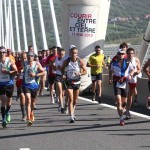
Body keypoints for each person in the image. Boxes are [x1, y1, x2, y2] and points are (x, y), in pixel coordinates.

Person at [109, 49, 134, 126]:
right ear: (117, 54)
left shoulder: (127, 62)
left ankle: (122, 110)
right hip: (116, 83)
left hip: (124, 83)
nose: (121, 55)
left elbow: (132, 70)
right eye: (119, 54)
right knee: (119, 101)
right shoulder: (113, 63)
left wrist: (130, 75)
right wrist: (110, 78)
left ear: (124, 55)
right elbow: (110, 71)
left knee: (124, 103)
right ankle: (121, 119)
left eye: (122, 54)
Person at [61, 47, 87, 123]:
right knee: (71, 99)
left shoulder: (80, 61)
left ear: (77, 54)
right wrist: (63, 74)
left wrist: (80, 73)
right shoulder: (67, 61)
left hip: (77, 82)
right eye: (72, 53)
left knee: (75, 101)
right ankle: (71, 116)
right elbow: (62, 68)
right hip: (69, 81)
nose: (73, 55)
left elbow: (85, 71)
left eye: (75, 53)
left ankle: (73, 112)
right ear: (69, 53)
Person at [22, 52, 45, 126]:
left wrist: (36, 74)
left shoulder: (37, 64)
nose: (30, 57)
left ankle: (31, 112)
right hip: (26, 85)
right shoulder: (24, 63)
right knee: (28, 100)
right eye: (28, 56)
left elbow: (44, 72)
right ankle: (28, 118)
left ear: (33, 57)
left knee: (32, 102)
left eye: (31, 56)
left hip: (34, 85)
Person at [0, 47, 18, 128]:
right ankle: (3, 119)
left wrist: (8, 72)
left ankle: (7, 112)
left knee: (9, 102)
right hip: (1, 84)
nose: (2, 54)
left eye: (3, 52)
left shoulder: (10, 60)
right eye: (0, 52)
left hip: (9, 84)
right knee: (3, 100)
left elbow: (16, 70)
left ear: (5, 53)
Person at [126, 48, 141, 119]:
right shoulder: (124, 60)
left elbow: (139, 69)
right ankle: (126, 109)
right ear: (127, 54)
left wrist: (137, 72)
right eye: (129, 53)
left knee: (129, 95)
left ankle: (128, 110)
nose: (130, 55)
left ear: (134, 54)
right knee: (126, 95)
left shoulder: (136, 60)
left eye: (131, 53)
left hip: (133, 80)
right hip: (125, 79)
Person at [15, 52, 28, 121]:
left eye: (25, 58)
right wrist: (20, 71)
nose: (24, 59)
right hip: (20, 83)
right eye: (22, 58)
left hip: (28, 83)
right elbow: (15, 72)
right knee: (22, 98)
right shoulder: (17, 63)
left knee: (28, 99)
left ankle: (29, 112)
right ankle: (24, 114)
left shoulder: (29, 63)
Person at [53, 48, 65, 113]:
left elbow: (66, 68)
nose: (61, 55)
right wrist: (53, 65)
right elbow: (54, 69)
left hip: (64, 76)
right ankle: (61, 106)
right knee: (60, 91)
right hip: (58, 76)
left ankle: (60, 103)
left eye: (62, 54)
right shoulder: (56, 59)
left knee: (63, 93)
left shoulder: (65, 60)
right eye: (60, 54)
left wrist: (62, 70)